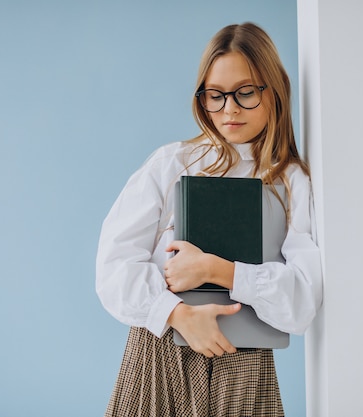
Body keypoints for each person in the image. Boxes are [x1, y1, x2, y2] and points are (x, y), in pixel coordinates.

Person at [96, 22, 323, 417]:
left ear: (274, 91)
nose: (229, 108)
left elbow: (302, 302)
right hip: (161, 354)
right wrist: (177, 314)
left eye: (245, 92)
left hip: (245, 365)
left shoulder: (290, 182)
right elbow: (113, 269)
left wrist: (220, 271)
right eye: (215, 95)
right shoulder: (173, 164)